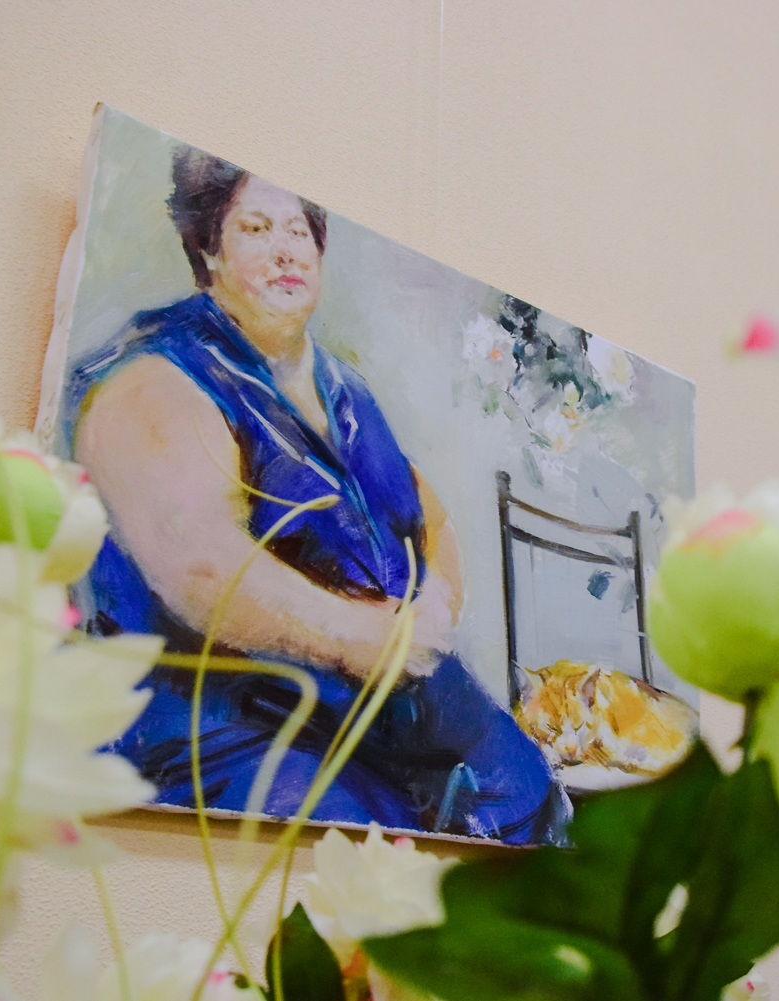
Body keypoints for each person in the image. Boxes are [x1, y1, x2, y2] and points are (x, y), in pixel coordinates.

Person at [62, 148, 564, 844]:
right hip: (222, 718)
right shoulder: (151, 377)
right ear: (207, 251)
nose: (285, 251)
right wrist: (365, 639)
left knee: (529, 798)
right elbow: (202, 565)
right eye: (256, 229)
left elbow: (430, 516)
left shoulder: (343, 389)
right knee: (361, 844)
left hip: (383, 698)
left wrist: (436, 603)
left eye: (299, 230)